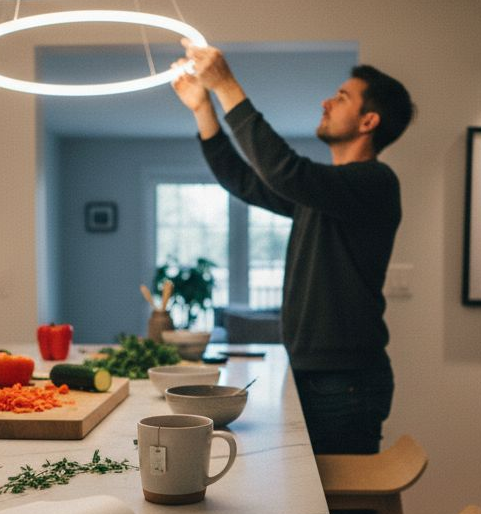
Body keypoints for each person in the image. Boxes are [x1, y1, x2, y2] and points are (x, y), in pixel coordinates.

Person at [171, 41, 415, 465]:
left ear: (368, 121)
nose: (326, 101)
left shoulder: (375, 182)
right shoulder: (321, 194)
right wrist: (203, 109)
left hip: (346, 384)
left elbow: (285, 169)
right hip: (316, 376)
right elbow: (244, 181)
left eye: (341, 97)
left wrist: (226, 84)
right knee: (317, 503)